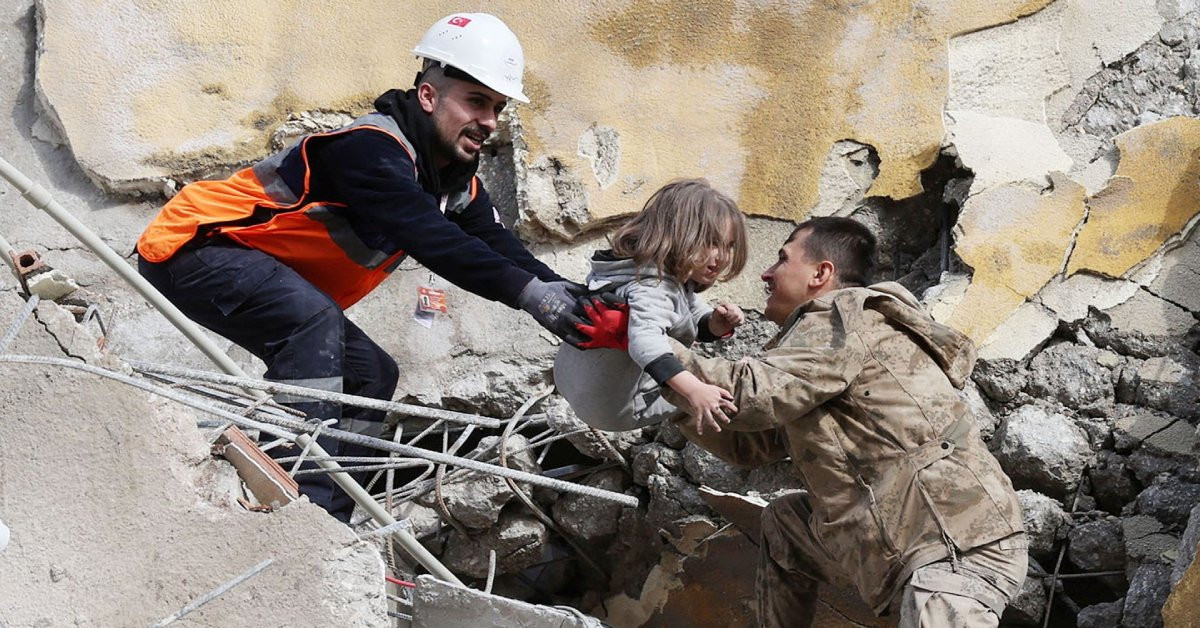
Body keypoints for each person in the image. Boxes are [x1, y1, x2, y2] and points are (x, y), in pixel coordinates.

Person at [135, 13, 617, 522]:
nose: (490, 121)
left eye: (497, 107)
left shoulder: (454, 183)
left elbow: (498, 246)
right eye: (476, 101)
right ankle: (286, 503)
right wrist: (531, 296)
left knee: (371, 373)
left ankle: (329, 519)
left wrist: (571, 295)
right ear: (428, 97)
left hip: (255, 266)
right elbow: (430, 236)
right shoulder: (370, 149)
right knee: (311, 322)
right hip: (193, 247)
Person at [665, 217, 1027, 627]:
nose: (766, 273)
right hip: (904, 545)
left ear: (821, 273)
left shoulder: (843, 319)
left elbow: (751, 395)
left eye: (782, 259)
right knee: (786, 525)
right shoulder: (810, 356)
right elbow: (748, 444)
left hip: (952, 542)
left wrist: (649, 350)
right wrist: (670, 396)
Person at [553, 179, 748, 434]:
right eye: (711, 242)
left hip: (571, 381)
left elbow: (686, 306)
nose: (721, 256)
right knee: (734, 393)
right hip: (620, 410)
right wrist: (694, 390)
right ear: (677, 234)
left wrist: (713, 323)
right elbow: (646, 343)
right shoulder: (652, 287)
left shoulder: (632, 269)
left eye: (729, 246)